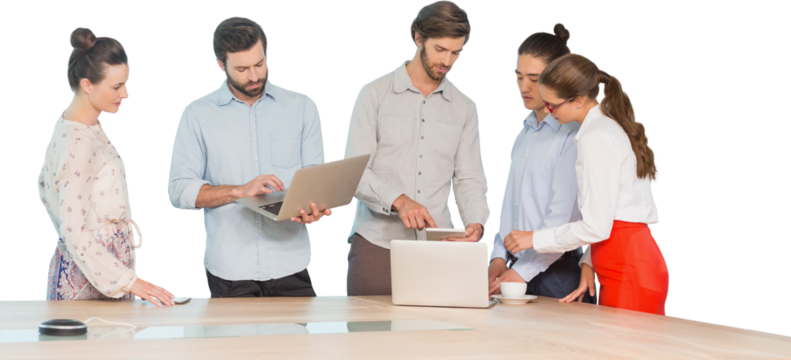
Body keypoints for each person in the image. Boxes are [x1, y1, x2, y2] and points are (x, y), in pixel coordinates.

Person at [165, 16, 331, 298]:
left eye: (259, 64)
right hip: (230, 271)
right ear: (220, 64)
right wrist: (240, 191)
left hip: (292, 264)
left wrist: (315, 206)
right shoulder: (197, 115)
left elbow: (317, 179)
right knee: (235, 345)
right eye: (242, 69)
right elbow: (178, 190)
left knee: (299, 344)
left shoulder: (303, 108)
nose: (254, 76)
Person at [342, 0, 490, 296]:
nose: (447, 61)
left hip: (438, 248)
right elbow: (354, 171)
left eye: (456, 52)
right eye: (440, 49)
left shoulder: (465, 107)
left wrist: (476, 221)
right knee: (368, 339)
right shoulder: (373, 94)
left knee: (435, 339)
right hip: (376, 243)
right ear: (419, 38)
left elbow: (469, 176)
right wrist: (398, 200)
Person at [502, 52, 669, 315]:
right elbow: (610, 211)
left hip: (627, 264)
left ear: (578, 100)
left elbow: (595, 226)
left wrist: (533, 239)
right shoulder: (605, 128)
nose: (548, 111)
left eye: (553, 105)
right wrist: (590, 262)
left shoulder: (595, 138)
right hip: (626, 259)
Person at [37, 26, 174, 306]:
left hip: (104, 276)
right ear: (87, 85)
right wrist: (130, 281)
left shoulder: (84, 125)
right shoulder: (77, 142)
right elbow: (72, 230)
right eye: (116, 87)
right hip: (88, 287)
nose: (126, 93)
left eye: (126, 84)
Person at [488, 23, 595, 304]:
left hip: (555, 275)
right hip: (515, 271)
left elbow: (563, 220)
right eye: (518, 76)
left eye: (534, 78)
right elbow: (510, 208)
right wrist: (498, 258)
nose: (524, 87)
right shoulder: (523, 134)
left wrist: (520, 273)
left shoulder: (572, 134)